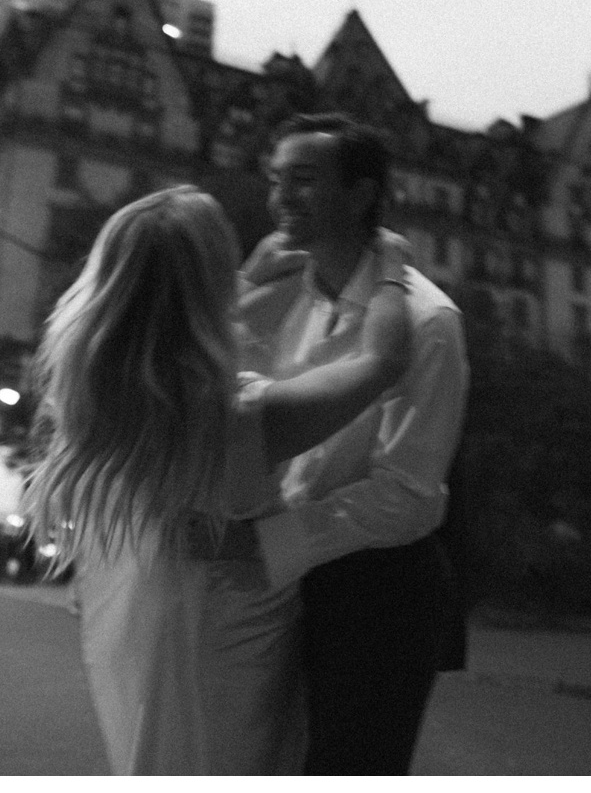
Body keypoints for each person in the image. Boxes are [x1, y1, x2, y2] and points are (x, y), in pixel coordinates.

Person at [23, 185, 415, 774]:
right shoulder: (240, 417)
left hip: (131, 608)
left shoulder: (92, 394)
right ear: (205, 285)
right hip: (223, 636)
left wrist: (245, 279)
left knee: (150, 751)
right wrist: (391, 270)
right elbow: (383, 361)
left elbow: (167, 320)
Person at [231, 113, 469, 775]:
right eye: (277, 179)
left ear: (362, 193)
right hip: (286, 574)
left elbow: (408, 496)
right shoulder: (287, 302)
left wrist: (270, 545)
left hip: (378, 591)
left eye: (304, 180)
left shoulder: (428, 320)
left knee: (350, 767)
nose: (281, 197)